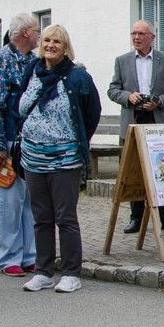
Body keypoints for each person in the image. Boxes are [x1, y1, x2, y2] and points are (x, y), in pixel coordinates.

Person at [17, 24, 102, 295]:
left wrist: (77, 140)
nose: (51, 45)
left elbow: (92, 112)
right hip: (33, 156)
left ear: (65, 47)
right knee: (41, 216)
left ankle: (70, 272)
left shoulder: (77, 77)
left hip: (65, 157)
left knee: (65, 216)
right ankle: (42, 271)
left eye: (57, 41)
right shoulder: (32, 71)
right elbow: (17, 106)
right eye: (47, 40)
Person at [107, 20, 164, 235]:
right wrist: (127, 96)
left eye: (141, 33)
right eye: (133, 33)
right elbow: (112, 90)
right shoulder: (122, 61)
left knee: (163, 168)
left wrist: (159, 101)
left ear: (152, 36)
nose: (136, 38)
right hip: (132, 122)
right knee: (133, 170)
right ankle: (136, 217)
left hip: (156, 122)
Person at [0, 12, 40, 277]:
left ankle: (30, 254)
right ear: (26, 32)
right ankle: (9, 257)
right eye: (38, 30)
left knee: (29, 199)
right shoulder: (3, 60)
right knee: (8, 201)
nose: (40, 35)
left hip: (29, 139)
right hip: (7, 139)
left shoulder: (33, 60)